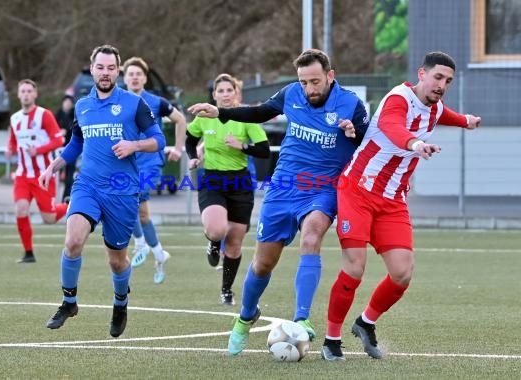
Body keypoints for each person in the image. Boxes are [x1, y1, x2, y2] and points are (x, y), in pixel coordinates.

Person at [187, 49, 369, 355]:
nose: (309, 88)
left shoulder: (351, 104)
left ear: (330, 76)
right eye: (303, 82)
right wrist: (222, 113)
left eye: (315, 81)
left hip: (322, 189)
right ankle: (245, 317)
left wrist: (354, 133)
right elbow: (260, 112)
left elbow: (367, 141)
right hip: (283, 187)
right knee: (263, 263)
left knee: (312, 237)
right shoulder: (292, 93)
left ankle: (302, 319)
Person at [321, 51, 481, 361]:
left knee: (402, 273)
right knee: (355, 268)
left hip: (393, 199)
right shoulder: (398, 99)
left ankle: (365, 323)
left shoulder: (433, 107)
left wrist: (467, 121)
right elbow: (395, 128)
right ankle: (331, 339)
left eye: (448, 81)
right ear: (422, 73)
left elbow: (444, 115)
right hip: (357, 191)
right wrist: (416, 144)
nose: (442, 85)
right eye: (437, 77)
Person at [38, 45, 166, 338]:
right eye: (100, 67)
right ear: (92, 69)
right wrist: (52, 167)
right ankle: (69, 302)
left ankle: (121, 302)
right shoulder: (83, 106)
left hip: (122, 191)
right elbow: (75, 144)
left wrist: (134, 145)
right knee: (72, 240)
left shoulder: (133, 104)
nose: (105, 73)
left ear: (117, 71)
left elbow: (158, 139)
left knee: (116, 260)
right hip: (88, 185)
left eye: (111, 68)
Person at [186, 73, 270, 306]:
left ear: (236, 93)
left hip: (240, 183)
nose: (224, 94)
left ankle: (226, 289)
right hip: (213, 180)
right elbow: (190, 140)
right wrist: (194, 157)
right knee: (216, 229)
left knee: (234, 242)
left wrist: (241, 146)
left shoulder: (245, 118)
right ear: (214, 95)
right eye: (220, 91)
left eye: (228, 90)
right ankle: (213, 243)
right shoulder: (204, 117)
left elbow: (264, 150)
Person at [122, 56, 187, 284]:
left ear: (145, 78)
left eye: (138, 74)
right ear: (125, 78)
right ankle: (159, 253)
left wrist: (178, 149)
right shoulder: (117, 100)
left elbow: (180, 120)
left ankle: (140, 242)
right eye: (130, 74)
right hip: (127, 160)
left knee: (132, 198)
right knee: (140, 213)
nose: (134, 77)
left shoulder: (157, 102)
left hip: (150, 160)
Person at [5, 79, 68, 263]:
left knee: (49, 218)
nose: (25, 94)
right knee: (21, 209)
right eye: (22, 91)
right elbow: (13, 142)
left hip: (43, 175)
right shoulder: (15, 119)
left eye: (29, 91)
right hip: (23, 175)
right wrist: (9, 149)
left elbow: (58, 141)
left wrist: (38, 150)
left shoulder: (44, 115)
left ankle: (68, 204)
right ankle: (28, 253)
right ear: (18, 95)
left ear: (35, 94)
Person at [55, 94, 76, 203]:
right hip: (58, 149)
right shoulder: (57, 115)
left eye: (70, 102)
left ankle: (66, 198)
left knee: (69, 175)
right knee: (54, 173)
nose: (67, 104)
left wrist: (67, 131)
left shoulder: (74, 115)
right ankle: (52, 198)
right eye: (66, 102)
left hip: (71, 148)